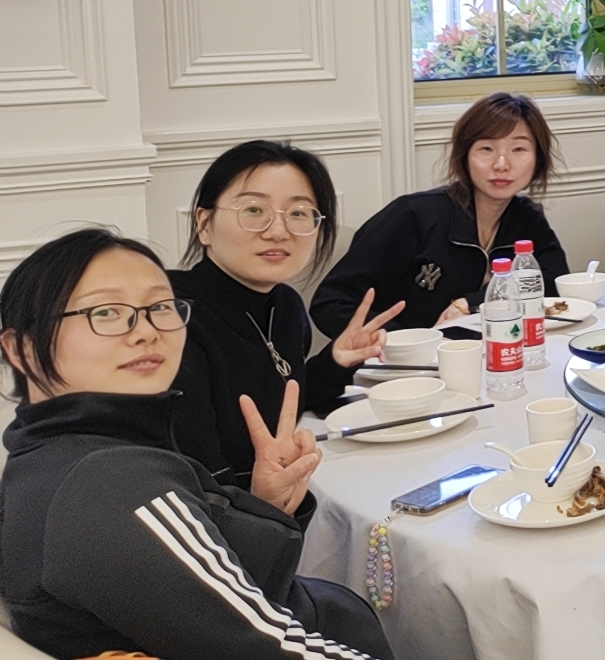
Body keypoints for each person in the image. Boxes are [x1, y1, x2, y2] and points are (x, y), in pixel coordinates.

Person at [0, 228, 392, 659]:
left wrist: (265, 505)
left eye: (160, 307)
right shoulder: (109, 483)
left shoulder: (50, 456)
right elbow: (272, 648)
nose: (146, 330)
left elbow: (203, 594)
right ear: (21, 349)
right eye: (106, 311)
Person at [169, 141, 399, 483]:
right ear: (204, 224)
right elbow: (195, 473)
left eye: (299, 213)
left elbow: (283, 400)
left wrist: (335, 361)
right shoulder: (172, 320)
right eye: (253, 210)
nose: (278, 231)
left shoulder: (286, 305)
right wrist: (261, 503)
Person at [311, 93, 568, 365]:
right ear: (465, 156)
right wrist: (404, 342)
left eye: (518, 150)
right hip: (389, 369)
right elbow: (331, 302)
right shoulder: (414, 215)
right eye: (486, 149)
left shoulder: (526, 219)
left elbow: (553, 286)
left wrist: (474, 301)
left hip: (473, 365)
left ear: (538, 160)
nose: (502, 164)